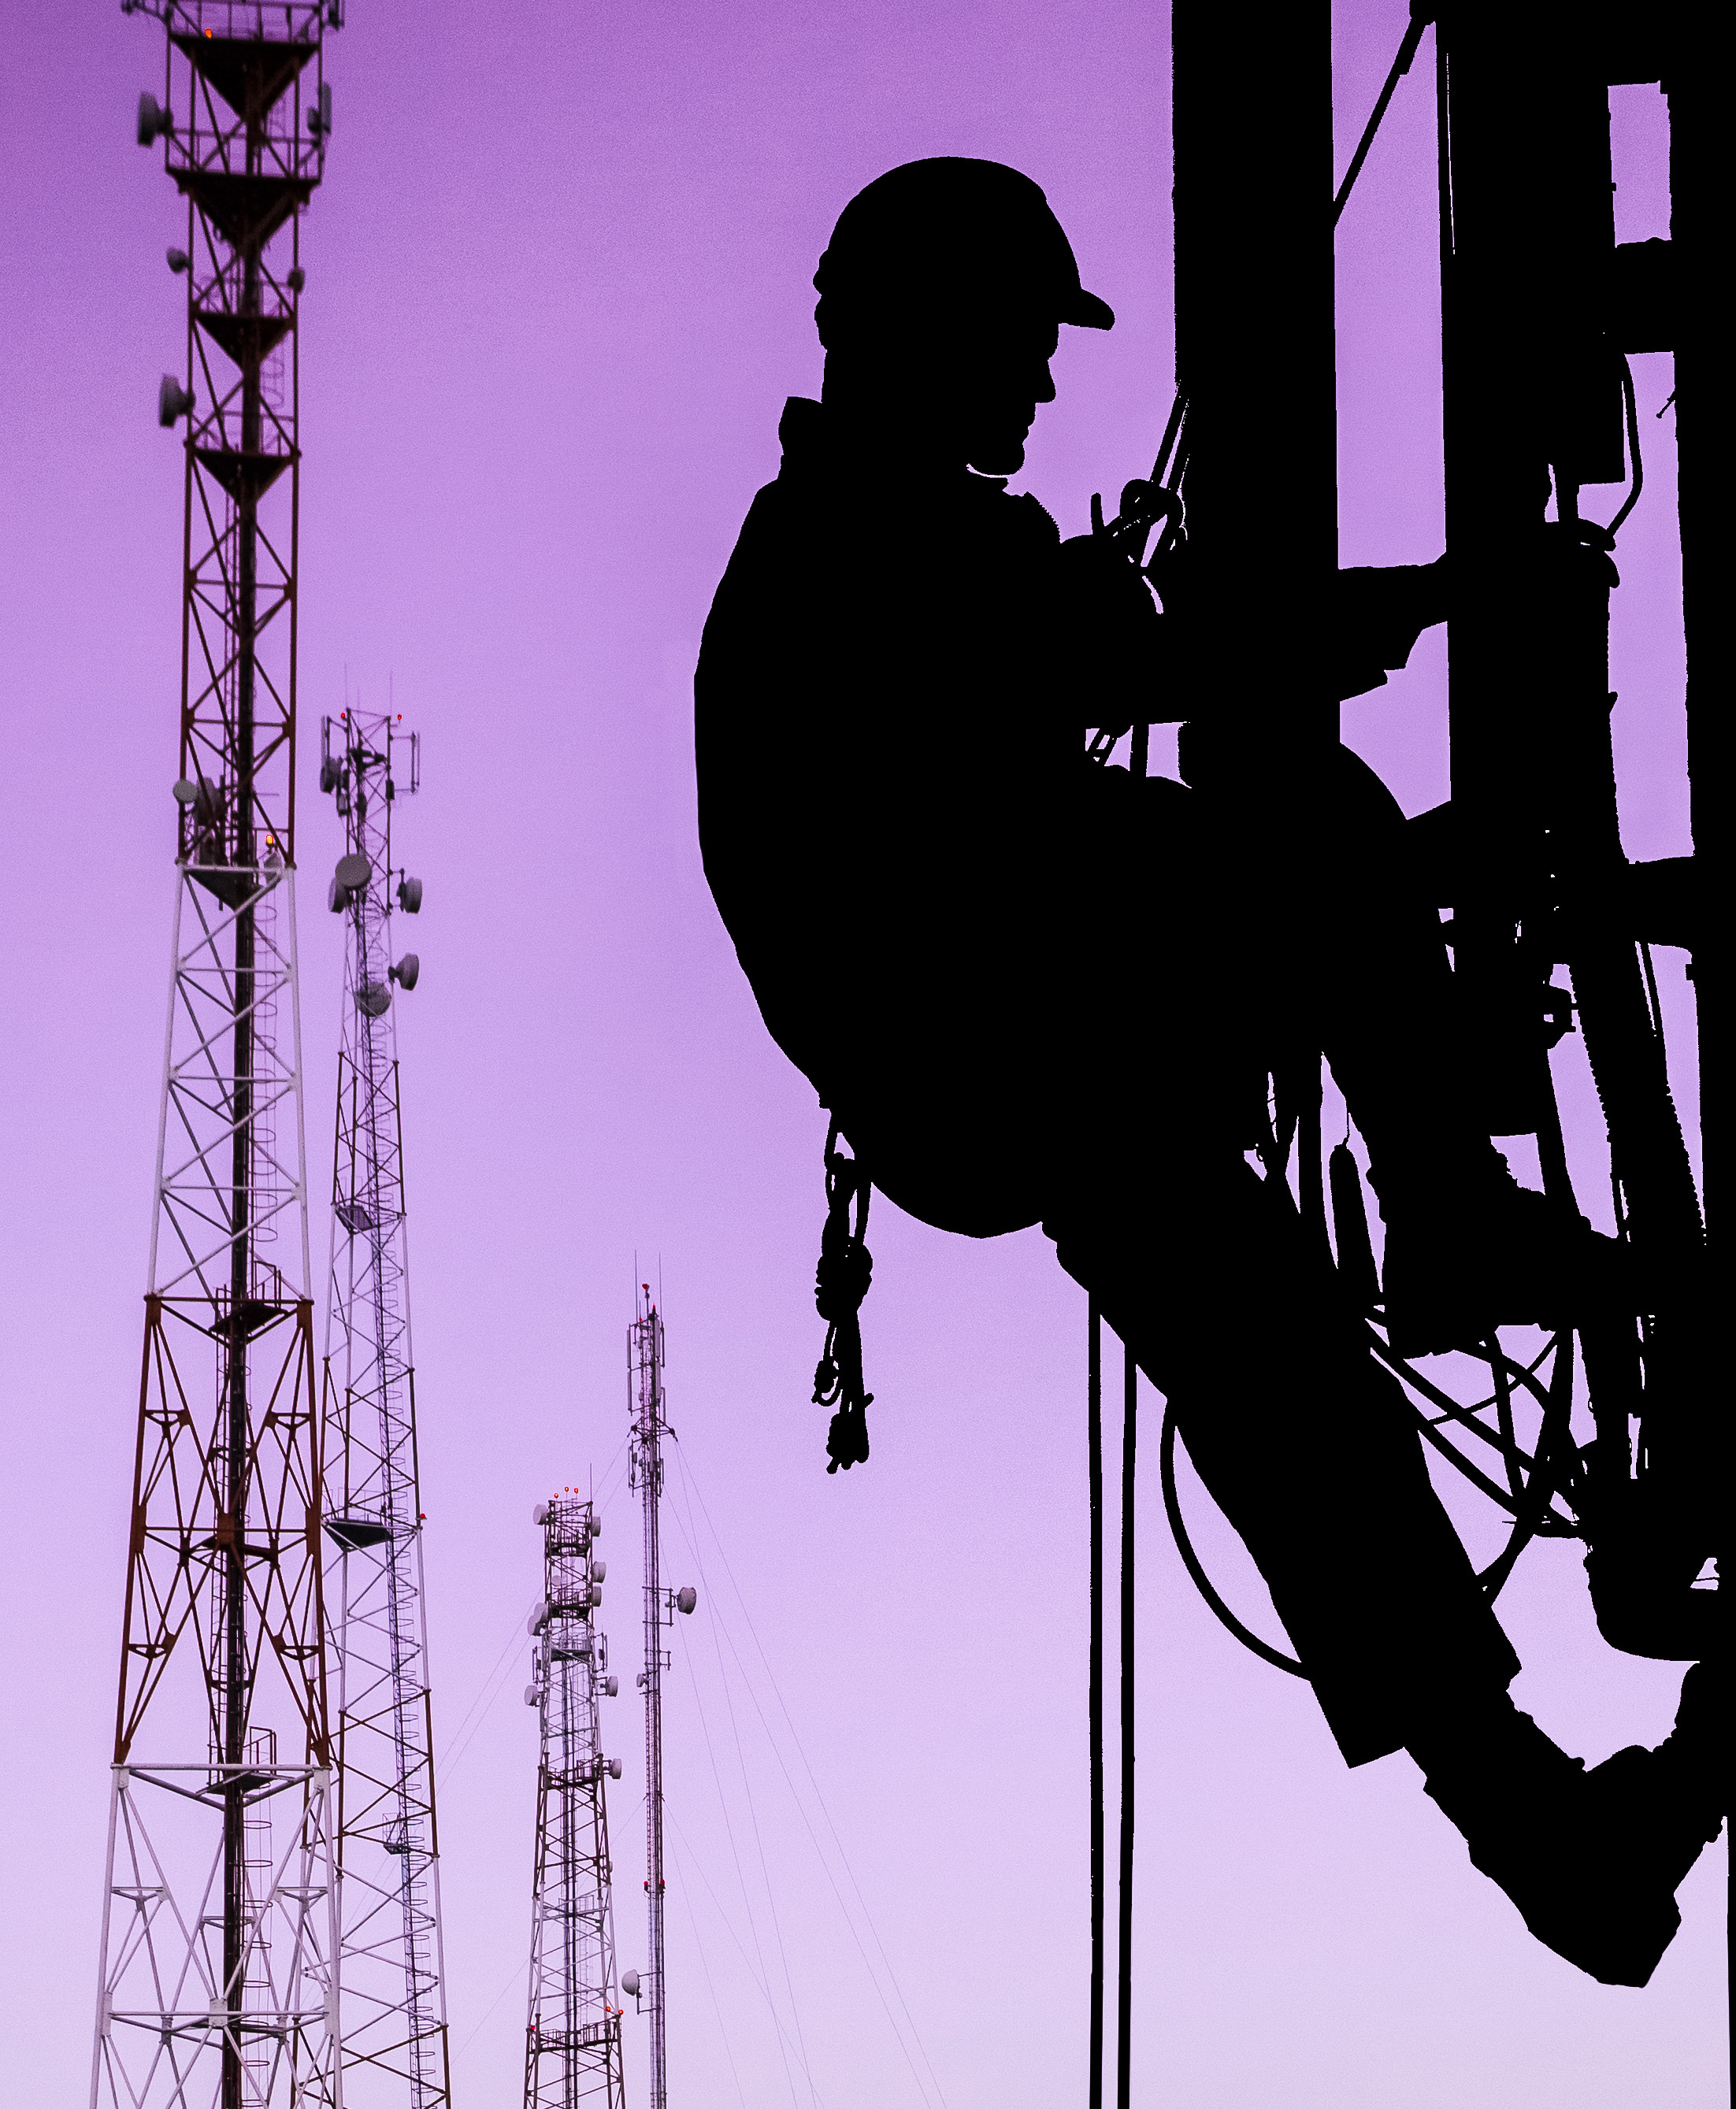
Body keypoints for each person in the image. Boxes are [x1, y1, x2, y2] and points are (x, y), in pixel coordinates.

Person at [694, 155, 1723, 1986]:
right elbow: (1197, 663)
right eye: (1021, 342)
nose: (1038, 385)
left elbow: (1102, 679)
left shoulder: (853, 545)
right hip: (1005, 1007)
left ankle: (1532, 1825)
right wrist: (1438, 599)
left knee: (1269, 1357)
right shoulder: (888, 544)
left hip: (990, 1049)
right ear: (929, 330)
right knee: (1315, 823)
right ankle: (1453, 1216)